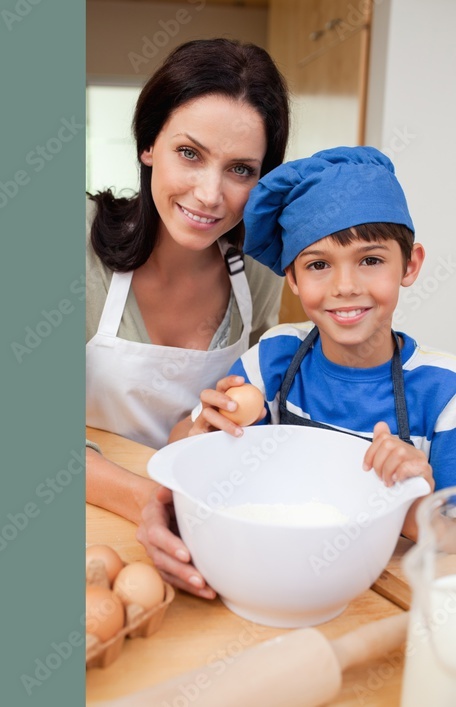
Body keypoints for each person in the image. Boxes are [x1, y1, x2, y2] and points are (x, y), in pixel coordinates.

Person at [145, 145, 456, 597]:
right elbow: (181, 444)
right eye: (318, 265)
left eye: (371, 260)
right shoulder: (274, 358)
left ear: (409, 265)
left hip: (381, 594)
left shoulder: (443, 392)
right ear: (292, 279)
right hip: (271, 574)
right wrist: (202, 430)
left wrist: (414, 499)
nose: (345, 287)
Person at [85, 38, 290, 523]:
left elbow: (243, 409)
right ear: (149, 144)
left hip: (195, 512)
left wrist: (202, 427)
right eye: (190, 154)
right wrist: (151, 504)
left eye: (241, 169)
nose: (210, 195)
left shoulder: (258, 266)